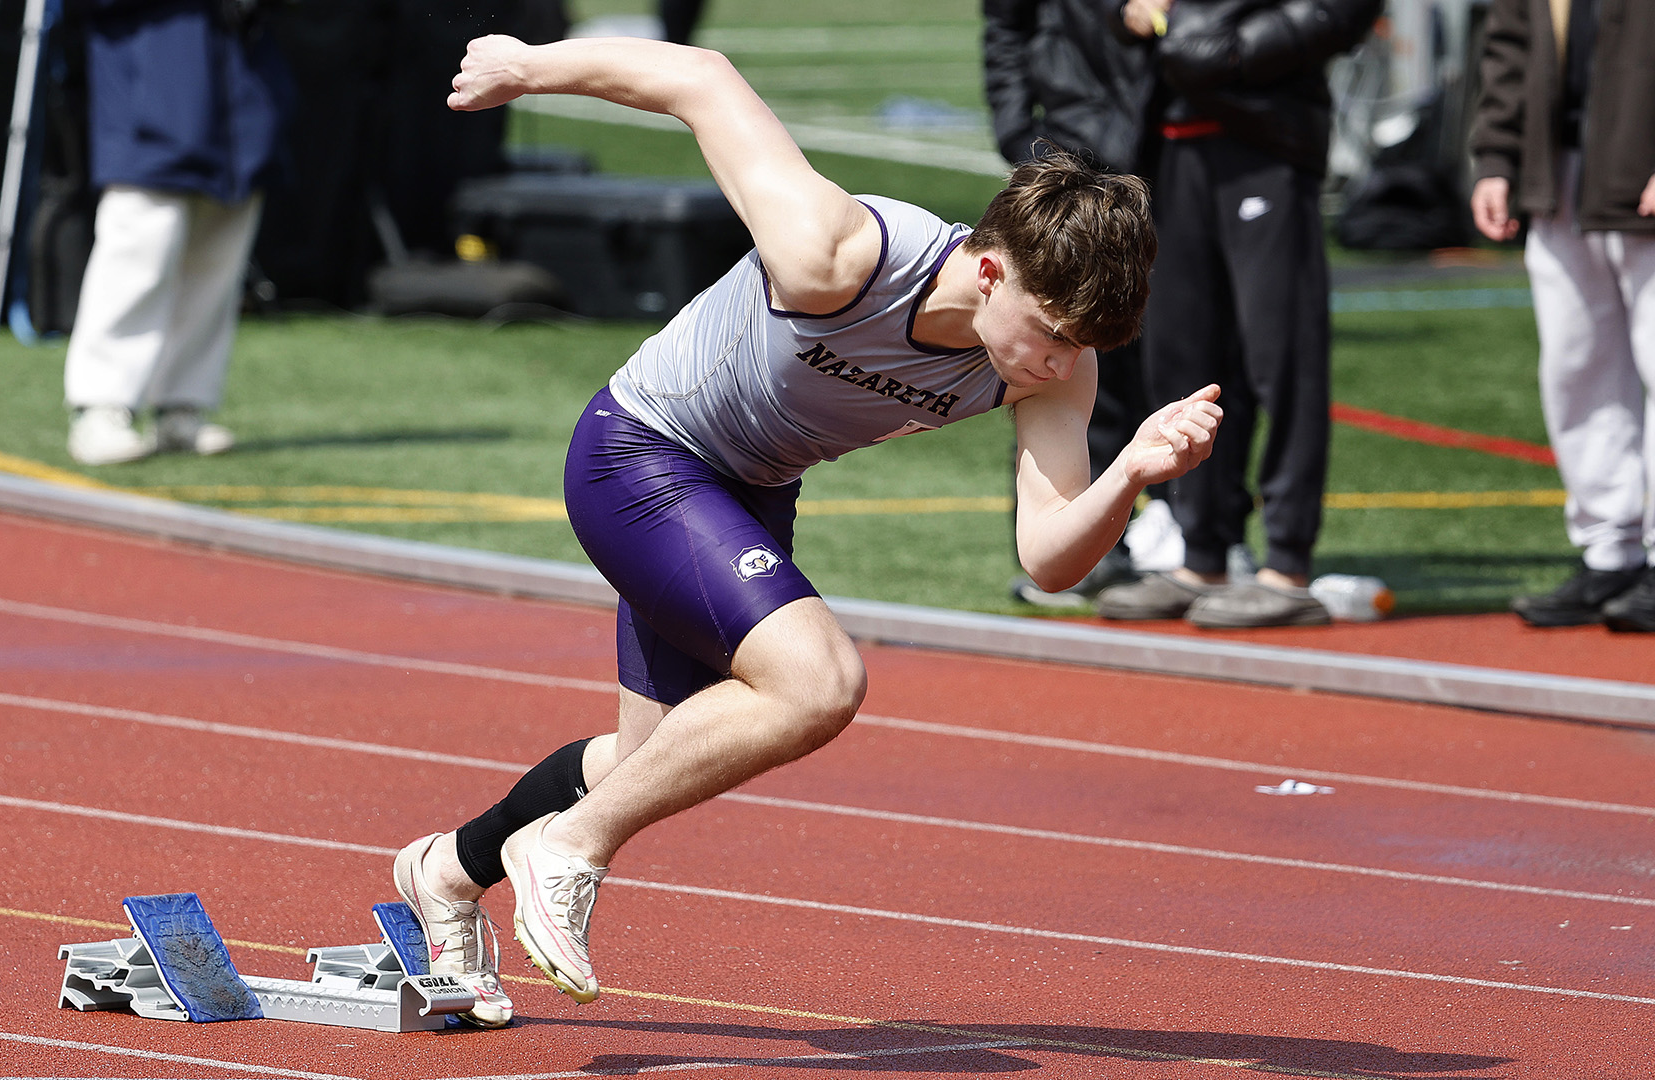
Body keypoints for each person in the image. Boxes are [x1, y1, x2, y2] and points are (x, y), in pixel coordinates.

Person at [387, 33, 1225, 1028]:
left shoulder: (1054, 362)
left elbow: (1049, 559)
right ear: (992, 270)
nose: (1056, 365)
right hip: (640, 456)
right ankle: (566, 847)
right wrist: (527, 66)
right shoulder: (840, 254)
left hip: (748, 493)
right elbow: (700, 79)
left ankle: (446, 869)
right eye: (1049, 332)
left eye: (1081, 346)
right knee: (820, 680)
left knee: (648, 758)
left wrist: (1130, 470)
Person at [1091, 0, 1380, 628]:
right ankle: (1202, 555)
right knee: (1183, 354)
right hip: (1168, 142)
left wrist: (1235, 50)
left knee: (1284, 358)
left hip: (1266, 139)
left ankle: (1287, 563)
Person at [1469, 0, 1655, 631]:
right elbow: (1510, 40)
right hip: (1562, 164)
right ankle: (1611, 551)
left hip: (1640, 158)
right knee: (1576, 365)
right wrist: (1497, 154)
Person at [61, 0, 293, 466]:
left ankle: (183, 405)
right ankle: (102, 404)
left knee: (219, 252)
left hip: (239, 75)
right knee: (141, 239)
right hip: (155, 64)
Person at [982, 0, 1160, 606]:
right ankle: (1074, 538)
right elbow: (1006, 24)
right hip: (1070, 148)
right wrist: (1018, 133)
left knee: (1142, 348)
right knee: (1052, 346)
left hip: (1174, 151)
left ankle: (1176, 531)